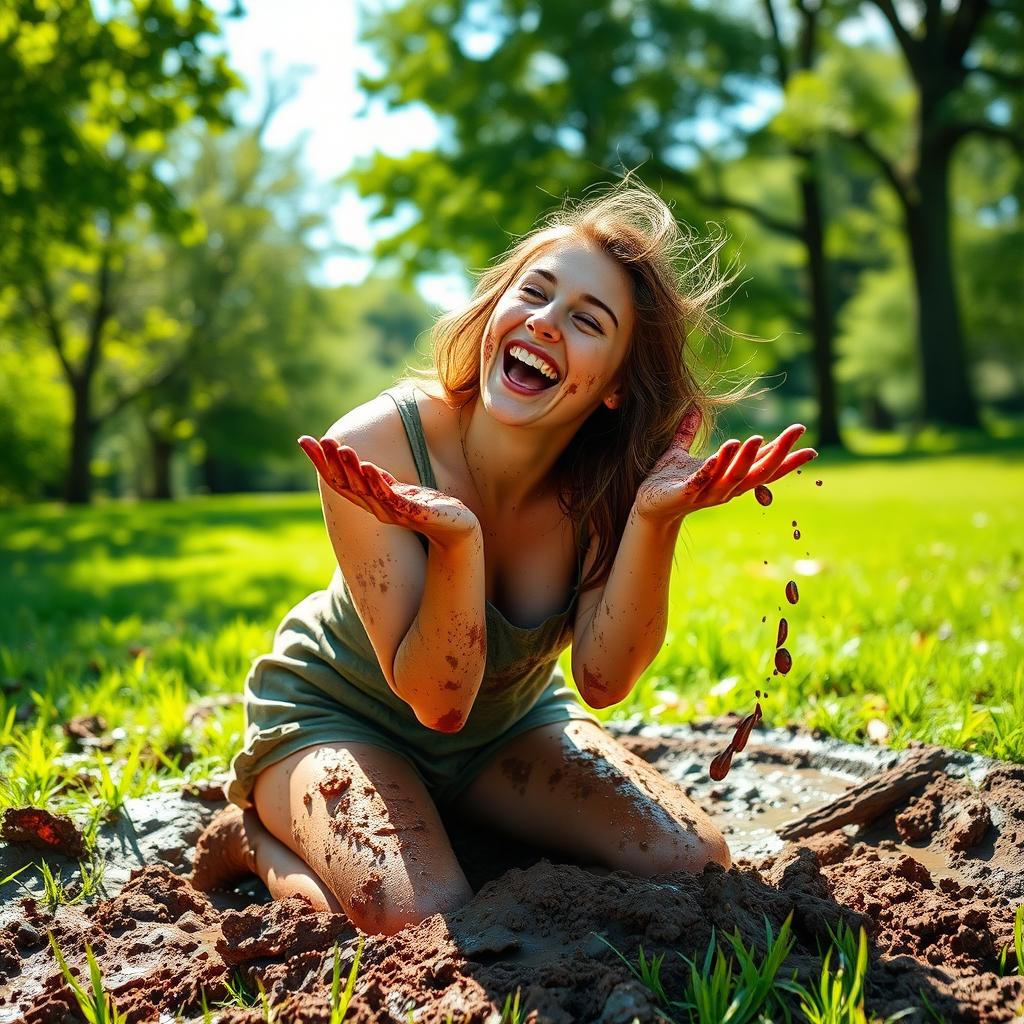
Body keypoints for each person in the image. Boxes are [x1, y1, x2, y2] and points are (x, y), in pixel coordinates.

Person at [190, 179, 816, 935]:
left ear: (616, 386)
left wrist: (655, 519)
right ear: (495, 312)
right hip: (337, 718)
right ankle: (256, 840)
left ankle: (453, 826)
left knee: (694, 859)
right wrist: (458, 540)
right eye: (535, 294)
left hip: (507, 732)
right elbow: (437, 699)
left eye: (587, 320)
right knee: (413, 917)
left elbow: (602, 678)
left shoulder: (612, 485)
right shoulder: (376, 446)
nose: (547, 323)